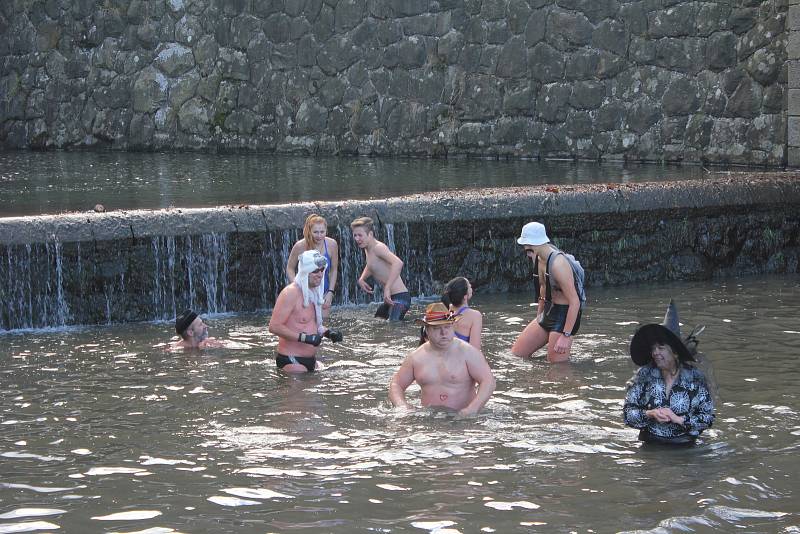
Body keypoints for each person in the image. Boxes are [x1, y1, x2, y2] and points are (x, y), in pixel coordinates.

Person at [623, 300, 715, 445]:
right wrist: (649, 413)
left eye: (661, 348)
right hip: (650, 445)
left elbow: (707, 418)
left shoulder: (695, 379)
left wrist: (678, 419)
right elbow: (628, 414)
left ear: (675, 353)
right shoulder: (644, 375)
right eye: (653, 349)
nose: (655, 353)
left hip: (684, 447)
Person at [388, 303, 495, 416]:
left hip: (462, 419)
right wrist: (402, 406)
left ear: (453, 326)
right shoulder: (416, 357)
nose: (444, 333)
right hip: (429, 419)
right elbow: (396, 384)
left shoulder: (468, 353)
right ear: (427, 330)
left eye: (447, 327)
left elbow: (489, 381)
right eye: (437, 328)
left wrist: (472, 409)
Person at [511, 221, 582, 363]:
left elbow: (575, 302)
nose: (525, 248)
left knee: (556, 368)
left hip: (564, 314)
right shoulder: (537, 258)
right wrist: (539, 315)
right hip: (549, 311)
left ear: (538, 243)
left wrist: (566, 336)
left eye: (528, 245)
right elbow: (543, 287)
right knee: (516, 355)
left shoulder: (558, 265)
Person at [269, 250, 343, 373]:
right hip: (292, 360)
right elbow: (274, 327)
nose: (320, 274)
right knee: (301, 391)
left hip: (312, 361)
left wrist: (328, 333)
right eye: (315, 271)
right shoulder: (290, 293)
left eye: (322, 270)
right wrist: (305, 338)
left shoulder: (314, 292)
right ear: (305, 272)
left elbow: (308, 324)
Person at [350, 216, 410, 320]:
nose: (357, 239)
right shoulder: (367, 248)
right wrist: (362, 278)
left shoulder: (378, 248)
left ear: (370, 234)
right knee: (378, 322)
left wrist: (387, 287)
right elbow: (371, 264)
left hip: (400, 298)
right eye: (355, 235)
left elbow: (398, 263)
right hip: (390, 299)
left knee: (394, 328)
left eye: (360, 235)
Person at [286, 214, 339, 318]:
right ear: (309, 231)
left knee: (323, 325)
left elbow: (334, 269)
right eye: (315, 232)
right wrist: (297, 287)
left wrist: (330, 293)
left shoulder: (332, 244)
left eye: (322, 232)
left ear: (326, 231)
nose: (319, 235)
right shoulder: (300, 246)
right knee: (305, 323)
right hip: (304, 291)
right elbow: (290, 268)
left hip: (323, 291)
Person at [441, 276, 483, 350]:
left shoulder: (446, 311)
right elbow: (475, 350)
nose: (471, 287)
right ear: (465, 297)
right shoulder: (475, 316)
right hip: (462, 359)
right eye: (469, 286)